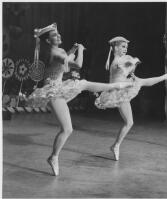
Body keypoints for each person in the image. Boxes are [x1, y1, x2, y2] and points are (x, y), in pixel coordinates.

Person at [27, 24, 132, 176]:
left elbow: (66, 64)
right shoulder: (54, 52)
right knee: (68, 128)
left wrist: (72, 51)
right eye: (55, 35)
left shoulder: (61, 51)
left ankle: (53, 157)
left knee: (84, 85)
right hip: (52, 91)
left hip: (59, 87)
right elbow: (78, 65)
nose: (59, 36)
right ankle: (53, 157)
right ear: (48, 41)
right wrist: (81, 50)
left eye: (58, 33)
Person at [95, 36, 167, 161]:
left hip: (124, 86)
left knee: (142, 83)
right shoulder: (117, 61)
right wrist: (132, 63)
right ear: (115, 47)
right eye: (123, 47)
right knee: (129, 122)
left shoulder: (121, 60)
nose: (125, 49)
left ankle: (165, 77)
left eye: (126, 47)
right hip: (118, 91)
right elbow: (123, 68)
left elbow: (127, 70)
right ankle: (116, 145)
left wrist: (132, 67)